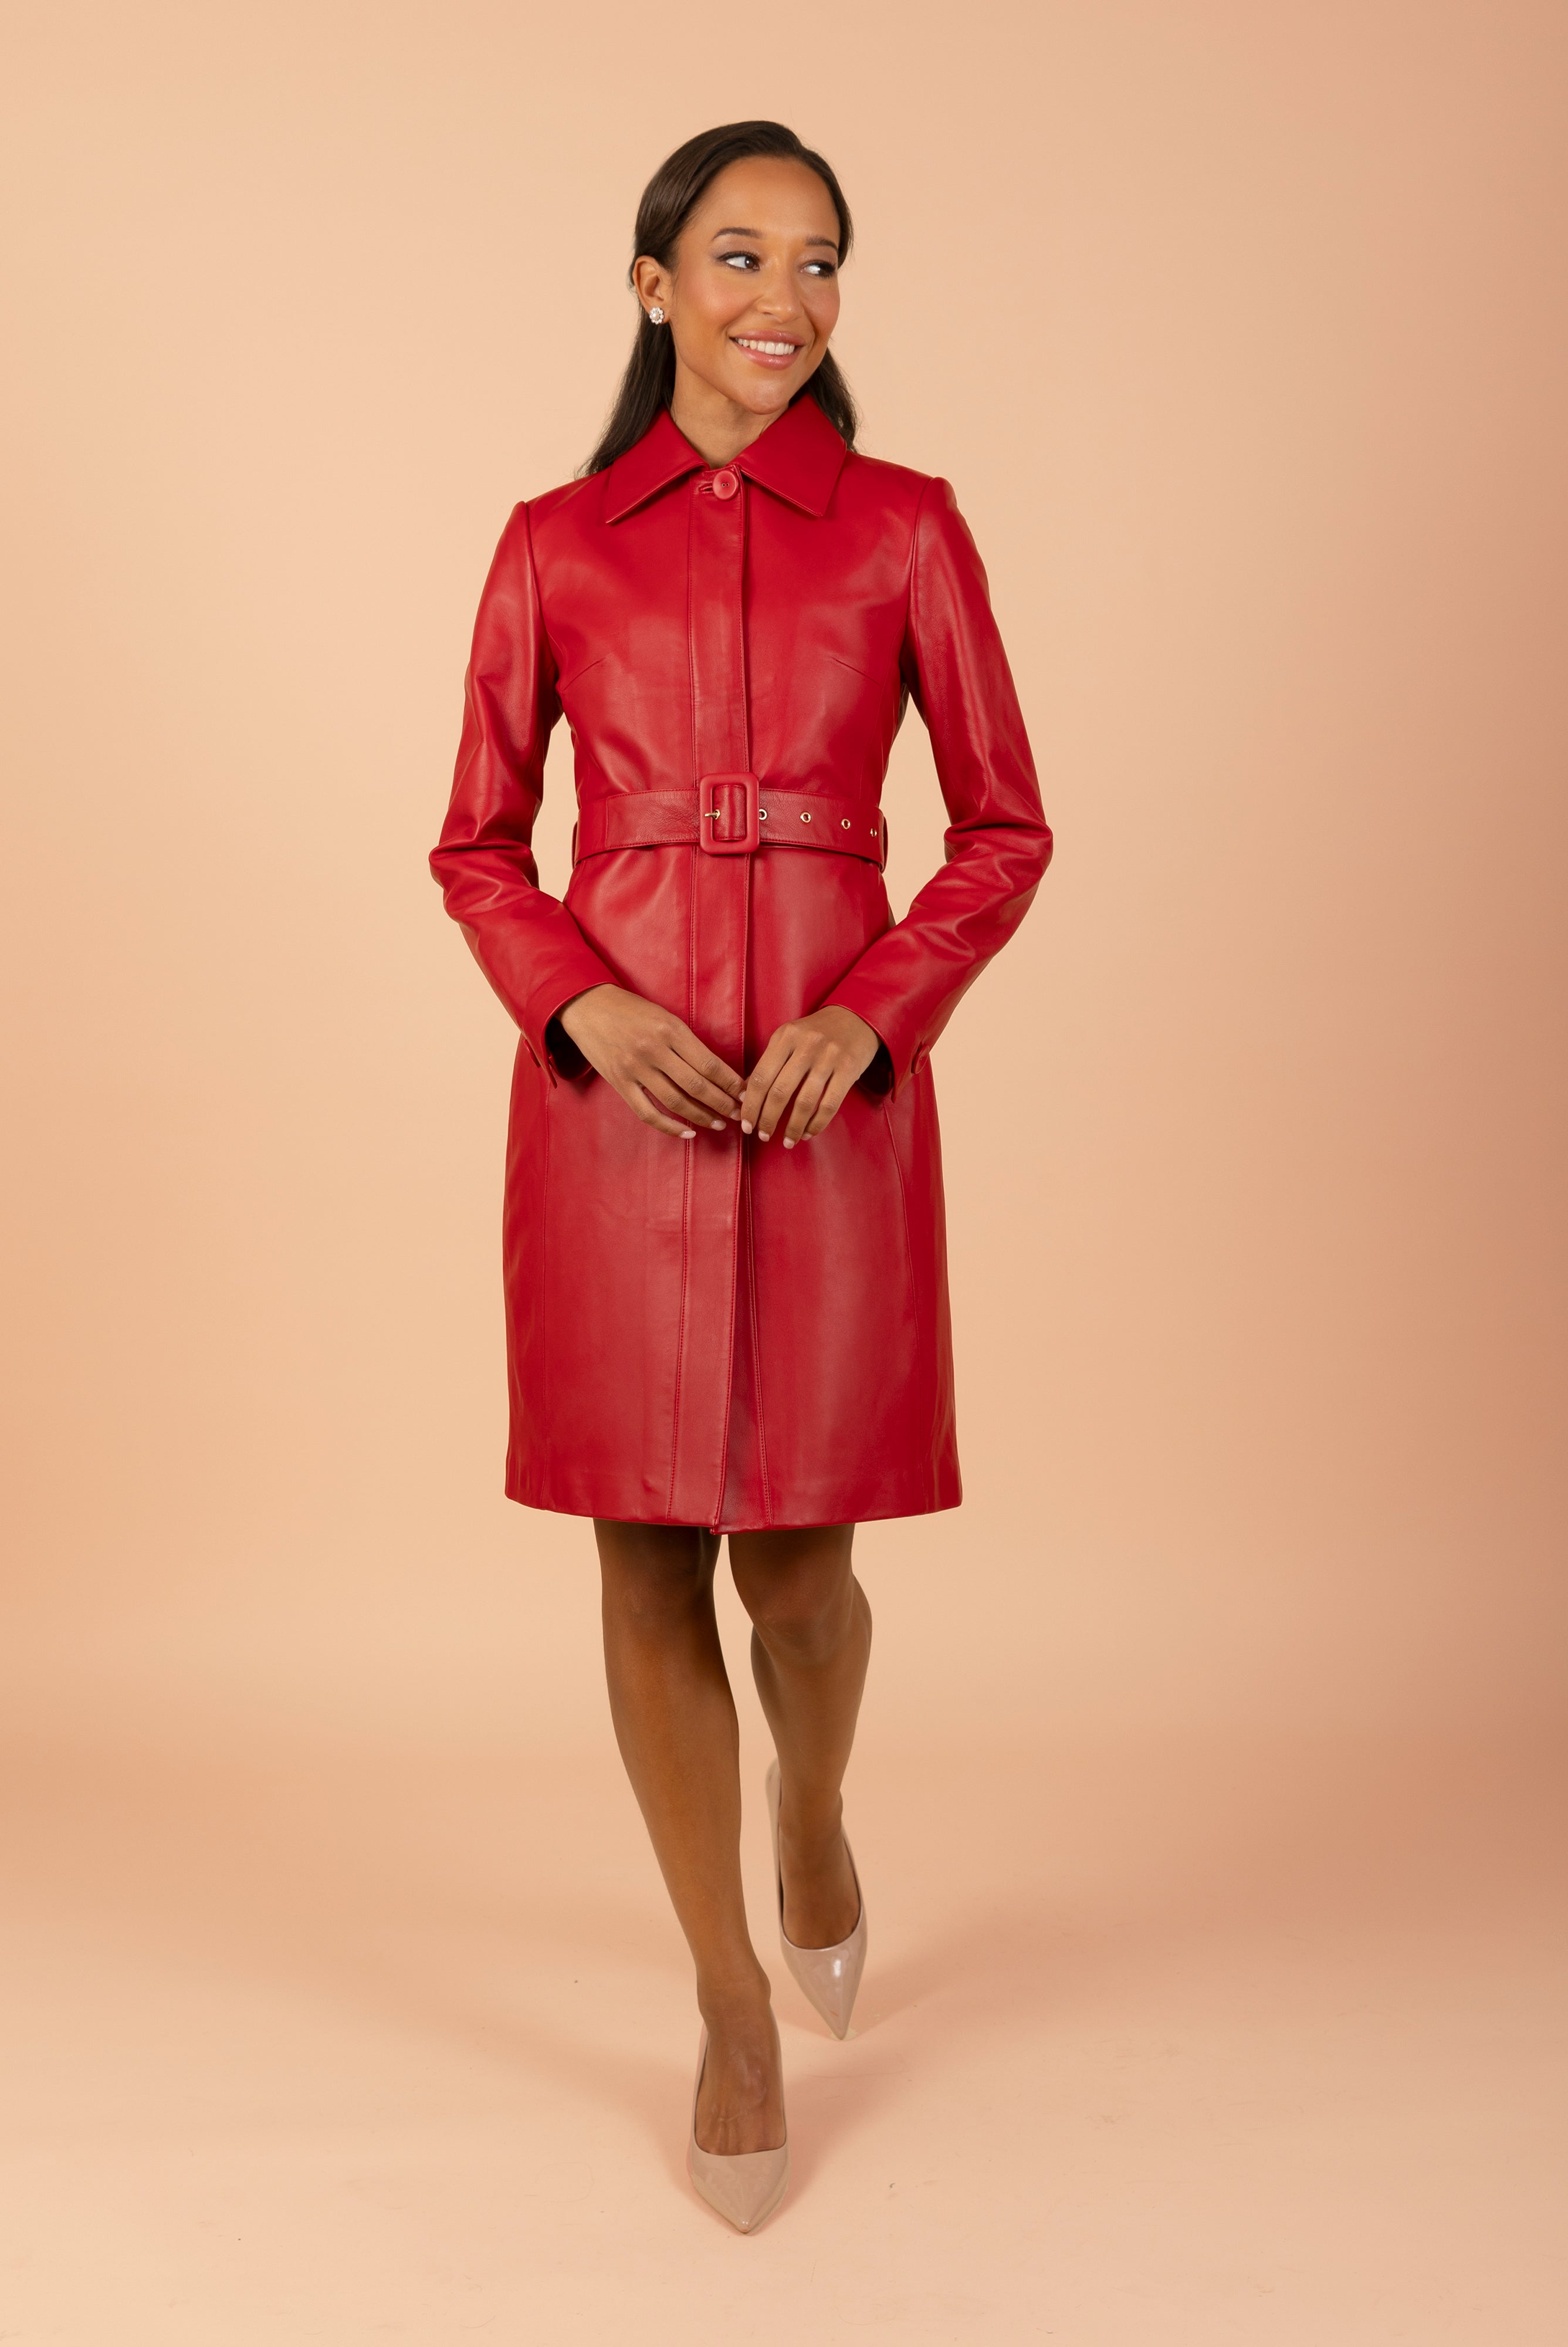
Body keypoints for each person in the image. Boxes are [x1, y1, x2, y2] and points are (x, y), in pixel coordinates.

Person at [430, 119, 1051, 2231]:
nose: (781, 297)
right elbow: (473, 843)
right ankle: (725, 1997)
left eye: (816, 260)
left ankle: (812, 1823)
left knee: (796, 1574)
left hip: (826, 1097)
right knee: (638, 1560)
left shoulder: (906, 529)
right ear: (652, 283)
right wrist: (577, 1006)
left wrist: (872, 1015)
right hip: (614, 1108)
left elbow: (1001, 828)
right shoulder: (549, 544)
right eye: (736, 255)